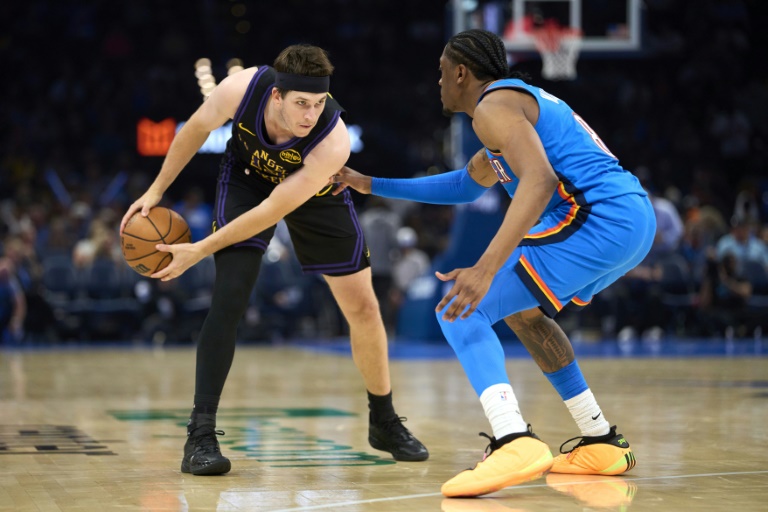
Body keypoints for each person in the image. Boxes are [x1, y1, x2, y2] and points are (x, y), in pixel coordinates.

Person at [332, 29, 654, 498]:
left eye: (441, 73)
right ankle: (602, 439)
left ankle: (513, 439)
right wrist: (370, 184)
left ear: (461, 72)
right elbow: (464, 185)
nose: (437, 83)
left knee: (459, 309)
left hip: (599, 217)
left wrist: (484, 267)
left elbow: (540, 181)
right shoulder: (509, 114)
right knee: (525, 315)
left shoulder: (493, 106)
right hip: (631, 221)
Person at [120, 44, 428, 476]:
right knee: (229, 297)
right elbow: (193, 130)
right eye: (301, 103)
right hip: (246, 178)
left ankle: (384, 420)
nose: (309, 114)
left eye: (318, 104)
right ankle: (200, 435)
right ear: (276, 96)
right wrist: (154, 191)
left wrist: (199, 250)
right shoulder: (239, 89)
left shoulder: (332, 142)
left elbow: (272, 211)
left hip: (315, 194)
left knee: (363, 306)